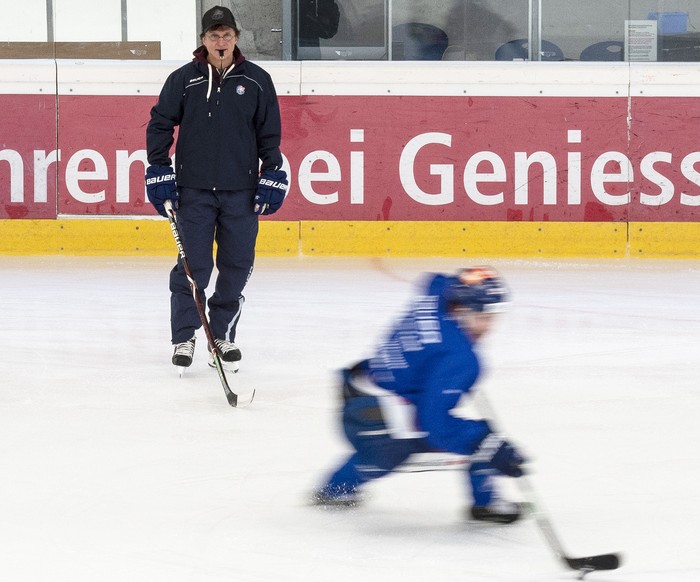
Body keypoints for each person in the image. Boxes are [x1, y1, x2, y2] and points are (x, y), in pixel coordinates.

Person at [313, 266, 528, 524]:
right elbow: (435, 425)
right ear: (461, 307)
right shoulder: (460, 357)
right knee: (481, 439)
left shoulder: (436, 297)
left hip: (356, 398)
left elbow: (436, 281)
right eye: (482, 315)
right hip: (378, 429)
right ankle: (487, 503)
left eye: (493, 316)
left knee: (380, 451)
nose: (489, 326)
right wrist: (492, 447)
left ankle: (335, 489)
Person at [145, 6, 288, 371]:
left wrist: (272, 172)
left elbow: (269, 134)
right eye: (213, 36)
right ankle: (185, 337)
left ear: (236, 38)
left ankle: (221, 335)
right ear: (203, 41)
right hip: (192, 190)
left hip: (242, 191)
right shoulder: (184, 79)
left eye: (226, 36)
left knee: (237, 265)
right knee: (194, 268)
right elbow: (160, 123)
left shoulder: (257, 80)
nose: (220, 42)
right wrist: (159, 167)